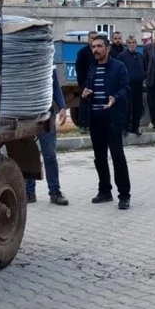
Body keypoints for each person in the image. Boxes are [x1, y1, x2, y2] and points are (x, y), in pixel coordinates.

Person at [82, 34, 131, 209]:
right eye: (93, 47)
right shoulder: (92, 68)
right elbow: (90, 87)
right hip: (96, 120)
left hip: (112, 120)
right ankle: (105, 191)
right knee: (99, 157)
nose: (95, 50)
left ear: (107, 48)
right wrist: (87, 94)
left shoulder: (119, 67)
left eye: (99, 46)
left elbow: (126, 89)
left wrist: (115, 99)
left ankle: (124, 195)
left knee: (117, 157)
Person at [26, 69, 69, 205]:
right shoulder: (23, 58)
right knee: (28, 154)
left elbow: (55, 85)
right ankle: (28, 192)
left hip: (46, 115)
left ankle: (55, 192)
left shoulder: (47, 59)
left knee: (50, 155)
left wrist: (62, 106)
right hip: (27, 114)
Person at [119, 34, 146, 136]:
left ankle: (135, 128)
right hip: (127, 86)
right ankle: (124, 128)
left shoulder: (140, 56)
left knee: (138, 108)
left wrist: (143, 76)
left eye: (133, 42)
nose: (132, 45)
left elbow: (145, 68)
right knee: (126, 108)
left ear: (136, 44)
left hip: (139, 86)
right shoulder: (122, 56)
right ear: (126, 44)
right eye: (129, 43)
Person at [74, 30, 97, 131]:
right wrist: (82, 83)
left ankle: (91, 124)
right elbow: (79, 68)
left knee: (94, 104)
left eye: (95, 39)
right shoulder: (83, 52)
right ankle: (82, 125)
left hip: (96, 81)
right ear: (88, 39)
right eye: (92, 38)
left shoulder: (98, 52)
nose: (93, 40)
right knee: (84, 104)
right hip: (85, 82)